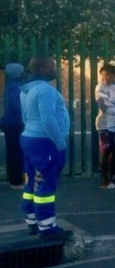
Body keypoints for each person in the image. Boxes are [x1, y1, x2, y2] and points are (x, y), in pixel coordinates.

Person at [19, 55, 71, 240]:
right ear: (42, 69)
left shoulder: (26, 90)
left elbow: (25, 117)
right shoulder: (45, 90)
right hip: (46, 142)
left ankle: (32, 221)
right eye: (52, 65)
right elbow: (48, 119)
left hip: (29, 139)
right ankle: (47, 227)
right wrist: (59, 142)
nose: (55, 68)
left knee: (32, 180)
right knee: (46, 184)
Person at [95, 63, 115, 189]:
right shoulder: (100, 88)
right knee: (106, 151)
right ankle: (104, 181)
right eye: (103, 76)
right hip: (106, 123)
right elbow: (104, 105)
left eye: (107, 75)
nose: (105, 78)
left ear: (114, 75)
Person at [1, 63, 25, 189]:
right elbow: (17, 107)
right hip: (16, 123)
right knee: (16, 152)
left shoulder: (9, 85)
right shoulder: (15, 87)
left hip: (10, 123)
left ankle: (15, 179)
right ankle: (16, 180)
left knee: (13, 152)